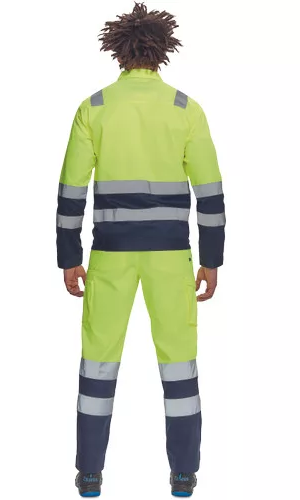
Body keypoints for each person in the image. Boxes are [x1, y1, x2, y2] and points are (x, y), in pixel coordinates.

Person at [56, 3, 225, 497]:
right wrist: (211, 259)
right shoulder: (186, 109)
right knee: (179, 362)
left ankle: (90, 474)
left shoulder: (94, 108)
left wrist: (69, 255)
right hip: (171, 258)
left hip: (109, 256)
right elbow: (210, 192)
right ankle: (184, 474)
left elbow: (70, 190)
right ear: (162, 50)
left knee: (98, 360)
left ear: (118, 51)